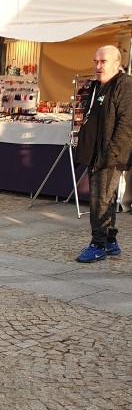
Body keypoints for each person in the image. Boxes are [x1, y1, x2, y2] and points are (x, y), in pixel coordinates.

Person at [73, 45, 132, 262]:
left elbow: (126, 124)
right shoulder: (98, 86)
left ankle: (97, 244)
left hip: (110, 156)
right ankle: (110, 241)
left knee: (100, 200)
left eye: (103, 62)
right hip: (95, 153)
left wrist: (111, 155)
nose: (98, 66)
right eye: (95, 61)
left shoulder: (124, 85)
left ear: (117, 64)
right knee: (105, 199)